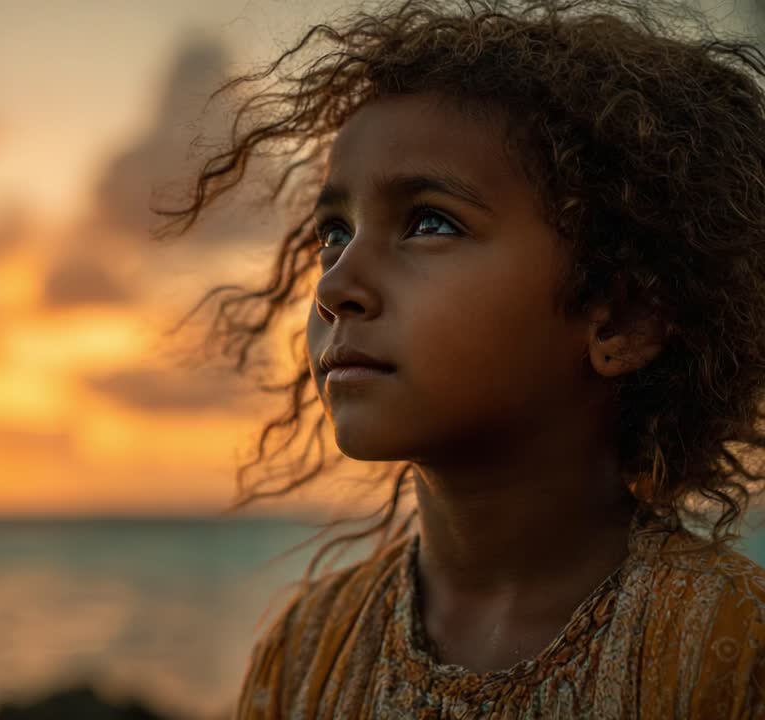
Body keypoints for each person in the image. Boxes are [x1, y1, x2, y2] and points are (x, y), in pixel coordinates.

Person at [157, 0, 765, 717]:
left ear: (621, 318)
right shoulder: (305, 654)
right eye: (334, 233)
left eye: (429, 222)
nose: (335, 285)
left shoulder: (727, 649)